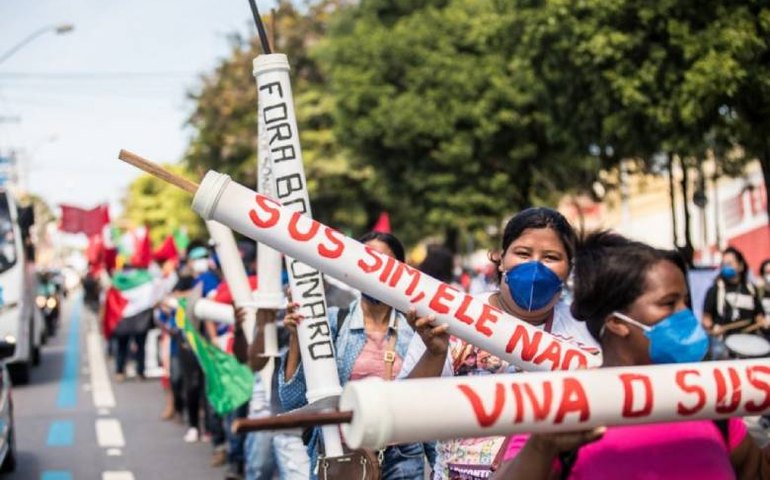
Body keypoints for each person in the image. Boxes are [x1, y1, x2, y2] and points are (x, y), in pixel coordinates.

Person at [493, 231, 770, 479]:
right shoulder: (564, 407)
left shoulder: (707, 399)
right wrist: (543, 446)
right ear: (617, 322)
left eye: (685, 303)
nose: (685, 316)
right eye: (668, 304)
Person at [401, 207, 601, 479]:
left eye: (551, 257)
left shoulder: (585, 329)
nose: (535, 266)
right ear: (501, 259)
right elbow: (405, 413)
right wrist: (435, 353)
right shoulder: (456, 318)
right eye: (523, 253)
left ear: (568, 269)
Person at [279, 232, 425, 480]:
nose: (375, 271)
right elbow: (291, 400)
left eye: (385, 263)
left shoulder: (417, 331)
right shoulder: (332, 322)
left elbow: (426, 405)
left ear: (401, 271)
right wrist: (297, 337)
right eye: (367, 262)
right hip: (342, 456)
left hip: (403, 457)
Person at [702, 247, 767, 359]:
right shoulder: (715, 289)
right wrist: (712, 327)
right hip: (724, 342)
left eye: (730, 263)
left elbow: (759, 316)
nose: (727, 267)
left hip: (749, 340)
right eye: (724, 264)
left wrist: (763, 322)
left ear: (741, 266)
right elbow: (706, 318)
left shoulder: (751, 289)